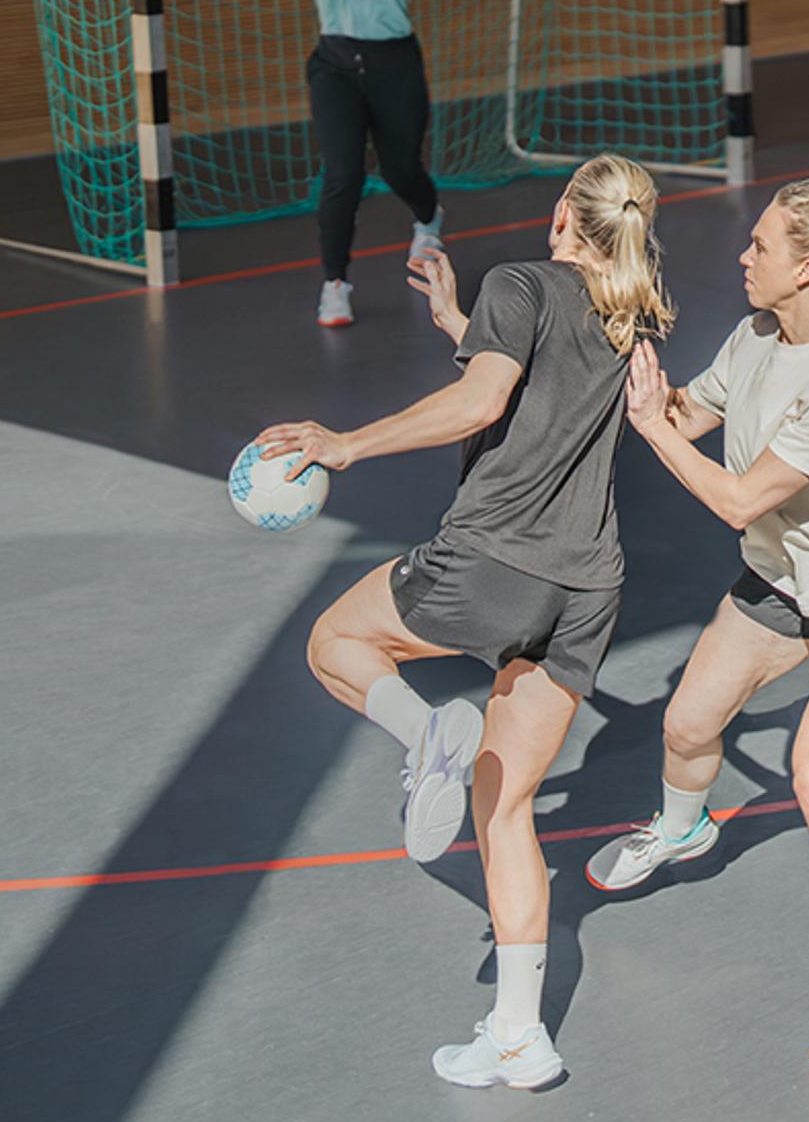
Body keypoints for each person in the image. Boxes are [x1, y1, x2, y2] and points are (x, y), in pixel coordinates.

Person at [254, 154, 672, 1089]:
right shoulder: (628, 306)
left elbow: (487, 399)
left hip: (497, 557)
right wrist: (459, 321)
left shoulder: (520, 282)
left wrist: (345, 443)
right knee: (503, 803)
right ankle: (520, 1036)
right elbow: (542, 381)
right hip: (587, 591)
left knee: (336, 641)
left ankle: (425, 729)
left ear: (565, 210)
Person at [588, 177, 809, 1068]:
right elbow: (688, 414)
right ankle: (682, 827)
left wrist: (656, 433)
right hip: (787, 574)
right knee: (686, 722)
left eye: (759, 248)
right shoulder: (756, 336)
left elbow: (741, 497)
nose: (742, 257)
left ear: (808, 270)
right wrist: (623, 375)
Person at [307, 0, 444, 326]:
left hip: (394, 64)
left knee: (400, 168)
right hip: (334, 67)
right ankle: (335, 283)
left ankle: (428, 219)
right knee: (343, 175)